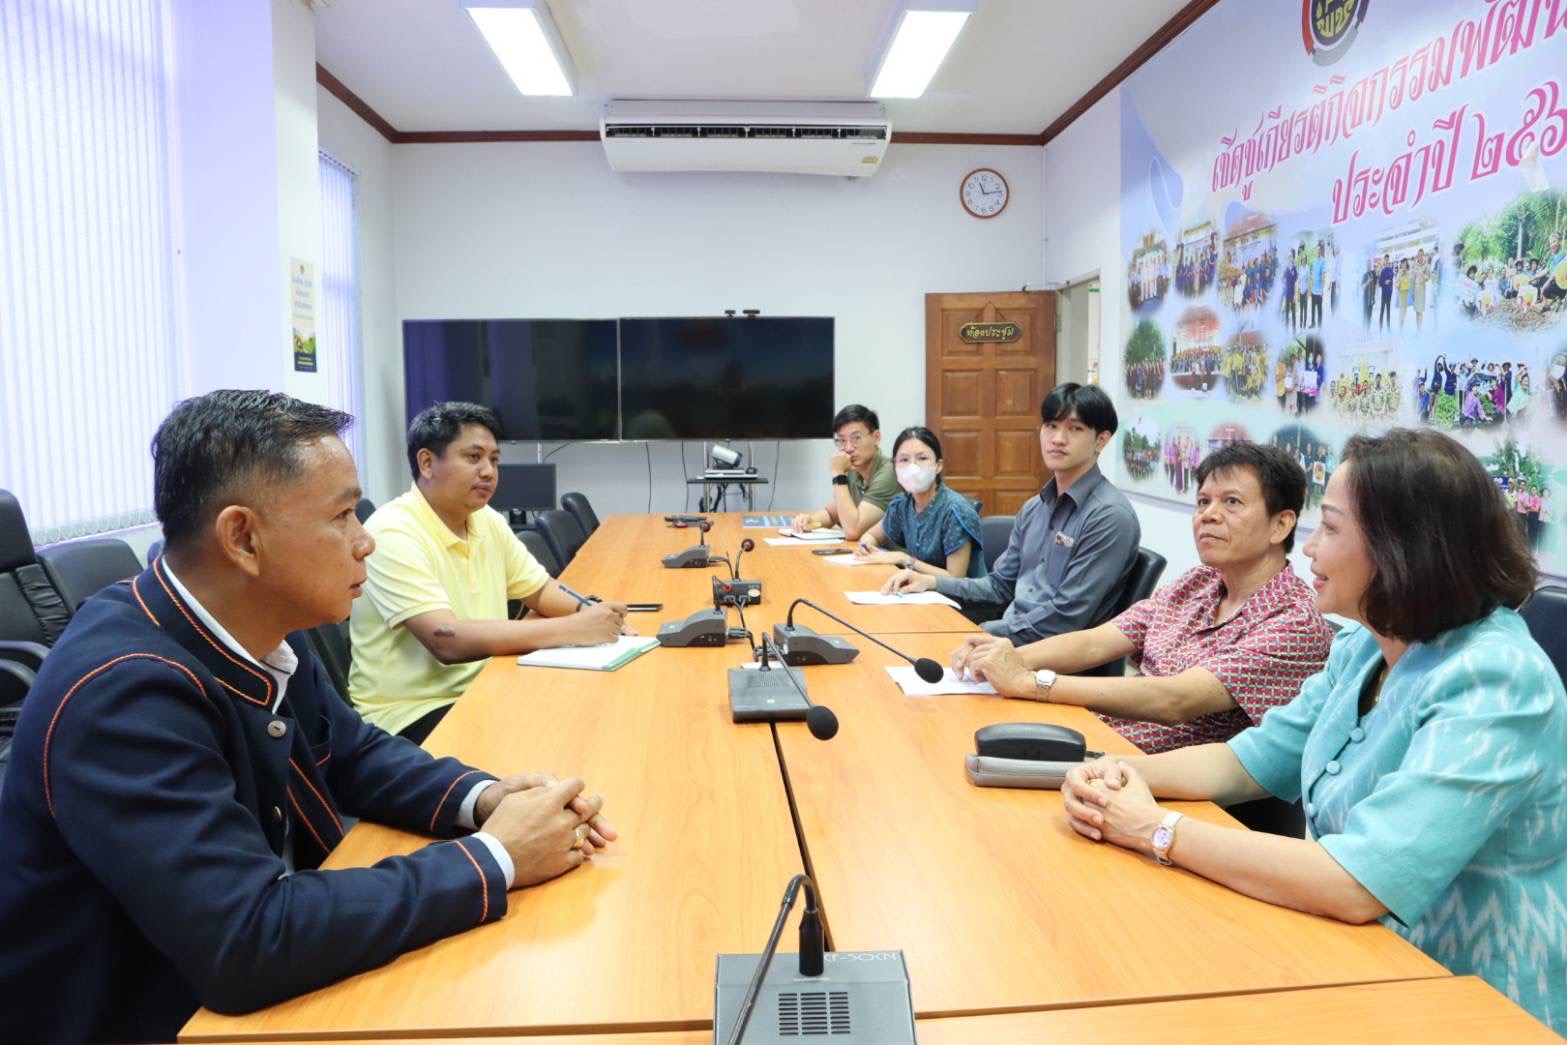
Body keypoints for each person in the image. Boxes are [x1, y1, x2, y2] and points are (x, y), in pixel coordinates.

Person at [0, 391, 618, 1043]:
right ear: (243, 538)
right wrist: (495, 857)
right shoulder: (125, 693)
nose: (366, 540)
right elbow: (246, 938)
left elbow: (353, 754)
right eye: (343, 514)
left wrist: (487, 798)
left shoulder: (252, 625)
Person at [1059, 428, 1565, 1035]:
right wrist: (1116, 773)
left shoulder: (1496, 679)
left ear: (1404, 547)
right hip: (1347, 956)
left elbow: (1358, 883)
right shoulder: (1365, 645)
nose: (1309, 549)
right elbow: (1247, 761)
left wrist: (1153, 829)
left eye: (1329, 528)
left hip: (1466, 998)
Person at [952, 444, 1329, 753]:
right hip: (1103, 741)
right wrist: (1005, 656)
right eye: (1203, 502)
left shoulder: (1293, 620)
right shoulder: (1198, 583)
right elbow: (1096, 642)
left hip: (1167, 787)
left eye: (1231, 502)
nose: (1208, 516)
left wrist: (1029, 682)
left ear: (1281, 524)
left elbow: (1174, 700)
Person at [350, 403, 629, 743]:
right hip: (412, 713)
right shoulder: (392, 531)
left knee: (594, 712)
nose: (488, 472)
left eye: (494, 460)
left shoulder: (486, 519)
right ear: (427, 463)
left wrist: (592, 613)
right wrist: (574, 628)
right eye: (473, 457)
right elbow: (445, 639)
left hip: (488, 679)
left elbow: (539, 590)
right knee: (566, 733)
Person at [882, 383, 1140, 646]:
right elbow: (999, 587)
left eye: (1075, 429)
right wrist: (930, 582)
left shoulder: (1109, 516)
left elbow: (1067, 617)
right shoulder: (1034, 509)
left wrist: (985, 633)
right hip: (1007, 640)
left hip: (1051, 657)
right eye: (1051, 426)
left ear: (1101, 440)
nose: (1058, 439)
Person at [853, 426, 985, 579]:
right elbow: (871, 535)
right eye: (904, 460)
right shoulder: (902, 504)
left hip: (960, 593)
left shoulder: (955, 510)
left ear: (938, 466)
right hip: (920, 588)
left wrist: (905, 560)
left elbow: (956, 579)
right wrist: (866, 547)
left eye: (922, 458)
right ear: (894, 467)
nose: (912, 467)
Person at [790, 403, 900, 541]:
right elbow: (831, 514)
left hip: (891, 553)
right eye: (842, 440)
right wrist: (810, 521)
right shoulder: (853, 470)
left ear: (876, 437)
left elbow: (853, 531)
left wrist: (838, 474)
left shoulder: (889, 473)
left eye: (856, 438)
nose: (848, 448)